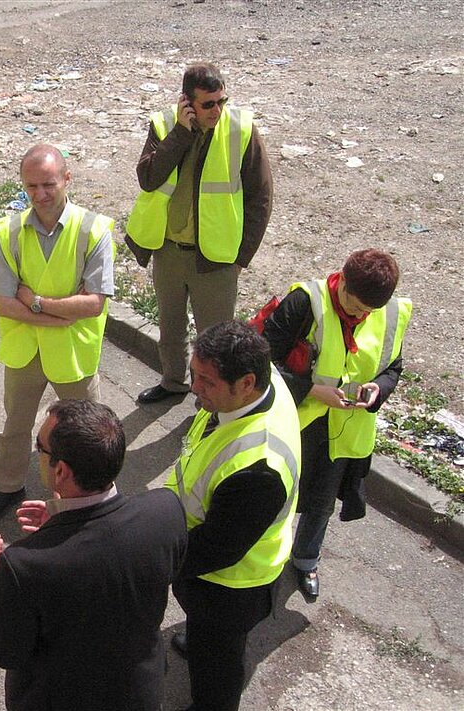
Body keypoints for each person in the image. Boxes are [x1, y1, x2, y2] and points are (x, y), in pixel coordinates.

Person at [0, 399, 187, 711]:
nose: (36, 455)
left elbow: (5, 651)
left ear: (62, 471)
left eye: (39, 448)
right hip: (139, 692)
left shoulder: (22, 565)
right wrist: (61, 520)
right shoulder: (165, 510)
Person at [262, 249, 411, 602]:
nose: (360, 315)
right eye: (355, 305)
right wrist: (313, 390)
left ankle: (305, 560)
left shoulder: (388, 312)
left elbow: (393, 366)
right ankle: (262, 560)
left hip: (343, 431)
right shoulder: (304, 302)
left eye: (367, 312)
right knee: (273, 496)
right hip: (295, 424)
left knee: (321, 503)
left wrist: (378, 389)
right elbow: (262, 359)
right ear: (341, 279)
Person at [165, 321, 300, 711]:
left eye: (206, 381)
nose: (195, 388)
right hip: (214, 575)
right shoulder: (265, 377)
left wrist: (154, 556)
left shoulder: (259, 467)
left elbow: (216, 550)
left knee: (217, 669)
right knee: (204, 635)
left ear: (245, 383)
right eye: (194, 374)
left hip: (229, 586)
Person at [0, 144, 115, 523]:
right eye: (31, 185)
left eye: (48, 184)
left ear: (67, 179)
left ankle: (88, 501)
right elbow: (3, 303)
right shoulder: (9, 231)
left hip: (73, 355)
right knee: (16, 427)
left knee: (87, 435)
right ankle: (8, 487)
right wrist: (59, 314)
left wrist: (35, 301)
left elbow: (93, 304)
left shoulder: (94, 229)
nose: (39, 194)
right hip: (27, 351)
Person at [126, 63, 273, 405]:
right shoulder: (164, 125)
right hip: (169, 251)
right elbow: (149, 178)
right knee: (170, 331)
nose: (217, 110)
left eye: (222, 100)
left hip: (217, 258)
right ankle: (173, 382)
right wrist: (181, 132)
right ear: (187, 103)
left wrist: (240, 258)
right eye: (208, 104)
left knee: (217, 343)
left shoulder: (241, 130)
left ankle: (212, 404)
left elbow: (260, 198)